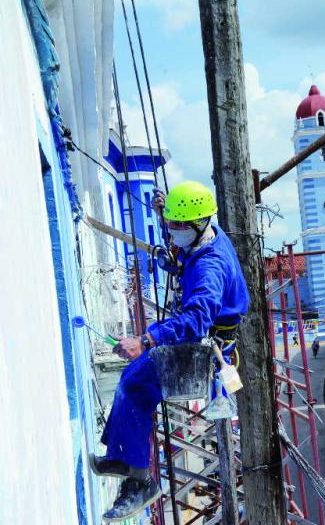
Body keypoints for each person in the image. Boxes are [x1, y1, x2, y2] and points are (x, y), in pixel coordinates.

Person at [89, 181, 249, 521]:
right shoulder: (204, 234)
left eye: (178, 226)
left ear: (199, 223)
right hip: (196, 339)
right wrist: (164, 215)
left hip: (203, 350)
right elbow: (181, 244)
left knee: (136, 386)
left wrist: (145, 340)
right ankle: (121, 456)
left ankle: (140, 483)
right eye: (170, 225)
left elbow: (195, 319)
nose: (173, 231)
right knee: (132, 377)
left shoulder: (211, 266)